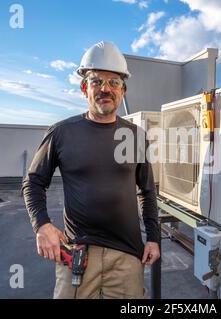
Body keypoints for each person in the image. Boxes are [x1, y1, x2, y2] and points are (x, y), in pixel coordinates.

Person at [22, 41, 160, 299]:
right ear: (84, 88)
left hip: (127, 256)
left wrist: (153, 237)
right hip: (77, 253)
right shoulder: (62, 133)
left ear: (123, 90)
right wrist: (42, 226)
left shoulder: (135, 136)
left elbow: (147, 191)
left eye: (114, 82)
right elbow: (33, 182)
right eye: (97, 81)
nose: (105, 89)